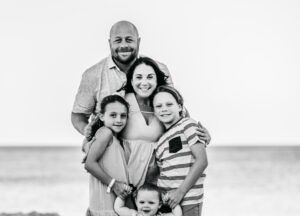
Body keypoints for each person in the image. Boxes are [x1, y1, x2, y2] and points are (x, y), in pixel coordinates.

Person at [71, 20, 211, 146]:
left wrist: (195, 131)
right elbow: (78, 115)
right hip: (109, 160)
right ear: (109, 43)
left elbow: (175, 109)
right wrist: (89, 132)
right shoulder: (92, 75)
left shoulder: (159, 69)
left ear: (138, 42)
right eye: (118, 40)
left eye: (129, 40)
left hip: (156, 161)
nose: (124, 45)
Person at [152, 85, 208, 216]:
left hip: (188, 198)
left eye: (169, 104)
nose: (164, 109)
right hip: (166, 203)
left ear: (179, 106)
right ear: (154, 111)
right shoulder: (160, 141)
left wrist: (180, 192)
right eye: (158, 106)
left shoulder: (187, 125)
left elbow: (202, 161)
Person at [84, 94, 133, 216]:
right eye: (113, 115)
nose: (118, 120)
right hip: (103, 207)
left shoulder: (119, 141)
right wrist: (114, 184)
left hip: (116, 208)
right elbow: (89, 164)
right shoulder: (105, 133)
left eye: (123, 116)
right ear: (101, 116)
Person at [114, 183, 182, 216]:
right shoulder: (134, 214)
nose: (146, 205)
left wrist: (169, 201)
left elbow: (178, 215)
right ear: (136, 201)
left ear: (159, 204)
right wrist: (122, 196)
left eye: (151, 203)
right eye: (142, 202)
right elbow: (118, 208)